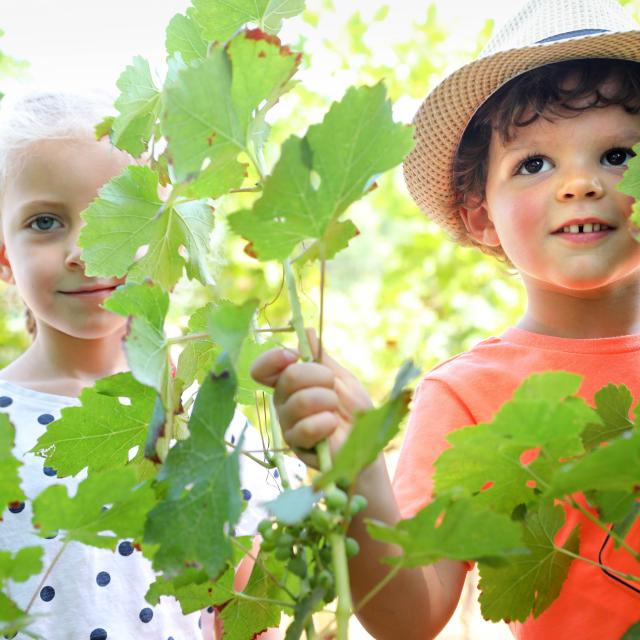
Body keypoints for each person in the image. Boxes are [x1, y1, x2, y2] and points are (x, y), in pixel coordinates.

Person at [250, 0, 640, 638]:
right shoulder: (465, 394)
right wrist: (360, 469)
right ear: (480, 213)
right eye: (534, 164)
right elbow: (412, 615)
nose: (579, 184)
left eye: (618, 154)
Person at [0, 89, 300, 640]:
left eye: (118, 218)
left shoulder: (211, 423)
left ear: (164, 236)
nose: (84, 250)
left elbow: (246, 620)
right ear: (3, 257)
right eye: (45, 222)